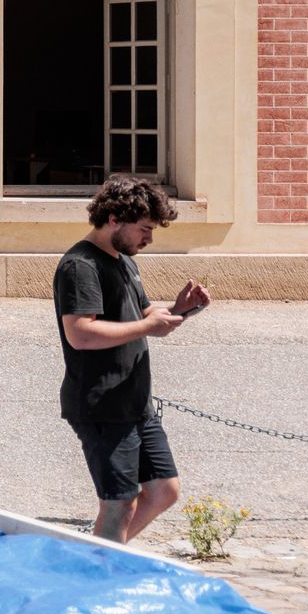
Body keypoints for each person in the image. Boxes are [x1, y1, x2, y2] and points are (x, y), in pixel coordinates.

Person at [54, 174, 209, 543]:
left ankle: (105, 556)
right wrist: (148, 327)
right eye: (144, 229)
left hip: (135, 402)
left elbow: (140, 317)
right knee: (119, 501)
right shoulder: (81, 266)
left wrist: (179, 310)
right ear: (114, 219)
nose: (149, 238)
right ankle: (99, 571)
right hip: (101, 405)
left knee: (164, 490)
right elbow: (80, 333)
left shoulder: (123, 260)